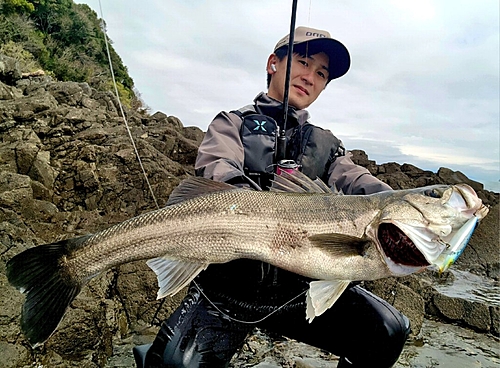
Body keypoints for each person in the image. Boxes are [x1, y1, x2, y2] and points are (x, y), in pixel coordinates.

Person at [134, 26, 411, 368]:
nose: (310, 77)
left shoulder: (329, 148)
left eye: (321, 73)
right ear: (273, 64)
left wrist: (405, 211)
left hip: (295, 294)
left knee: (388, 330)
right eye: (303, 62)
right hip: (227, 292)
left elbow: (361, 184)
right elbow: (217, 172)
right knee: (173, 366)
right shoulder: (231, 124)